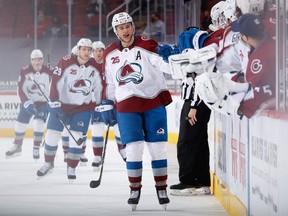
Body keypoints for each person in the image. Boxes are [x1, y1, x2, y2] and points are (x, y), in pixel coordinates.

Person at [100, 12, 172, 209]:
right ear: (115, 31)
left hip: (152, 102)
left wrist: (174, 59)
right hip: (126, 107)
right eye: (120, 28)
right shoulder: (110, 55)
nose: (125, 30)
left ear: (132, 27)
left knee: (157, 148)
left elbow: (164, 65)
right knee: (133, 149)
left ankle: (161, 188)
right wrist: (107, 101)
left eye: (127, 26)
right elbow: (110, 82)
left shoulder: (147, 44)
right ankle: (134, 189)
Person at [36, 38, 104, 180]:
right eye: (83, 49)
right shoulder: (66, 61)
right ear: (78, 50)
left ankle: (72, 167)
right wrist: (54, 101)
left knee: (77, 137)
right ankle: (48, 163)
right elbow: (56, 81)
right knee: (51, 134)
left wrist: (100, 103)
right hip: (62, 106)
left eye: (88, 50)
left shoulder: (95, 66)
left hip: (82, 109)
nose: (86, 52)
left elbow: (100, 86)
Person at [5, 49, 52, 160]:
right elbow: (20, 89)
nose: (37, 61)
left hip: (42, 103)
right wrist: (26, 102)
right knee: (19, 124)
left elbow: (57, 83)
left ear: (43, 60)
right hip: (28, 102)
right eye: (35, 59)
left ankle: (36, 147)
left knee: (38, 123)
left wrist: (54, 72)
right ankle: (17, 145)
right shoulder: (25, 71)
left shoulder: (48, 70)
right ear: (31, 60)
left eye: (40, 59)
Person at [231, 13, 276, 118]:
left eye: (241, 34)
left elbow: (256, 94)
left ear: (245, 38)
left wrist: (241, 109)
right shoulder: (274, 28)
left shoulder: (257, 60)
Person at [90, 41, 126, 168]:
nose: (98, 53)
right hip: (96, 104)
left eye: (101, 50)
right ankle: (97, 156)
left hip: (111, 101)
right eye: (96, 50)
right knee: (97, 128)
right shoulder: (89, 65)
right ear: (92, 52)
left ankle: (123, 150)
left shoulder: (109, 63)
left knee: (117, 126)